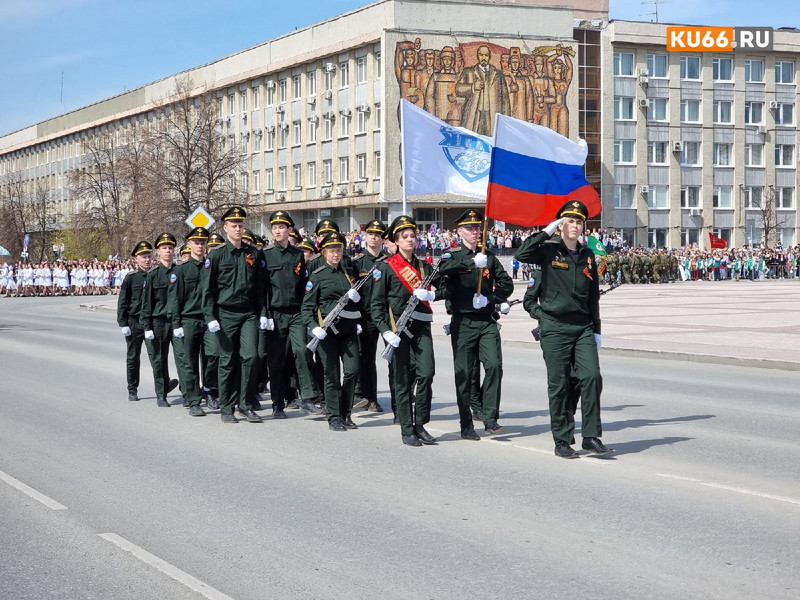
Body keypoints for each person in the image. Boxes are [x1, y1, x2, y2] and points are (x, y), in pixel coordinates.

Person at [514, 200, 611, 458]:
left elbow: (592, 297)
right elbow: (521, 254)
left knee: (591, 377)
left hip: (582, 327)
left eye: (579, 222)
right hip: (555, 327)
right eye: (570, 221)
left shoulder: (588, 256)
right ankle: (562, 440)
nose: (575, 225)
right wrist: (546, 231)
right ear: (561, 225)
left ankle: (590, 436)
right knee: (559, 384)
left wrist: (597, 329)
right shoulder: (548, 251)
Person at [434, 209, 514, 440]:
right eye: (469, 228)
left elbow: (506, 285)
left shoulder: (488, 256)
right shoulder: (452, 255)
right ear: (459, 232)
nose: (474, 232)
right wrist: (470, 262)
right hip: (463, 322)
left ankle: (490, 418)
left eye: (477, 228)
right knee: (465, 374)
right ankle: (466, 424)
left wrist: (490, 299)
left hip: (486, 321)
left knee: (494, 366)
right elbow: (441, 273)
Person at [370, 216, 437, 446]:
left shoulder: (423, 266)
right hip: (397, 330)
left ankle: (420, 423)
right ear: (396, 241)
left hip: (420, 327)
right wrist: (385, 331)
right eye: (405, 237)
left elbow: (446, 282)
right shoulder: (386, 268)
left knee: (426, 373)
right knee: (402, 379)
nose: (410, 240)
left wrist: (433, 295)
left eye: (413, 236)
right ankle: (407, 428)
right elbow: (376, 305)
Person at [201, 206, 268, 424]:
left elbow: (260, 287)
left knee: (250, 357)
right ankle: (227, 407)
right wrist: (210, 317)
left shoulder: (253, 254)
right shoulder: (217, 255)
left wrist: (263, 313)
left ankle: (246, 404)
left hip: (248, 313)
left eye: (241, 225)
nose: (238, 229)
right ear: (225, 227)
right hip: (226, 313)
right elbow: (208, 289)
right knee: (227, 360)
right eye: (234, 225)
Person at [301, 231, 362, 432]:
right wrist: (313, 327)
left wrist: (356, 305)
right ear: (324, 253)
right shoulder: (317, 276)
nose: (335, 254)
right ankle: (334, 415)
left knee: (352, 371)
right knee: (332, 375)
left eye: (338, 250)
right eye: (331, 251)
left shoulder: (347, 273)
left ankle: (346, 412)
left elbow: (356, 302)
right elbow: (306, 308)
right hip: (327, 332)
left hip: (349, 330)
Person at [263, 210, 321, 418]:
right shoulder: (266, 254)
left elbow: (303, 285)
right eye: (274, 227)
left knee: (303, 351)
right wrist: (265, 314)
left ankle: (307, 397)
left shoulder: (298, 254)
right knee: (277, 360)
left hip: (296, 312)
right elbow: (262, 288)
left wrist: (309, 311)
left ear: (289, 229)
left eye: (281, 227)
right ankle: (278, 403)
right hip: (275, 315)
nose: (277, 231)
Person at [168, 227, 210, 417]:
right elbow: (175, 299)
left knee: (213, 356)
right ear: (189, 245)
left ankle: (209, 391)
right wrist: (176, 325)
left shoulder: (211, 267)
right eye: (196, 242)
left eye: (203, 242)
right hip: (189, 319)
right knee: (190, 362)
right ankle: (194, 400)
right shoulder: (181, 270)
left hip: (209, 320)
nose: (200, 245)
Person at [353, 219, 389, 413]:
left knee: (394, 358)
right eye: (370, 234)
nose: (373, 237)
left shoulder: (389, 262)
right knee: (366, 358)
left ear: (383, 239)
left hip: (385, 316)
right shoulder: (358, 263)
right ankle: (370, 397)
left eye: (377, 234)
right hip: (365, 316)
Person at [140, 233, 181, 407]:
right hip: (158, 323)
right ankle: (161, 393)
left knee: (183, 357)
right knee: (159, 359)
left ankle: (187, 392)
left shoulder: (180, 271)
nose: (168, 251)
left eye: (170, 248)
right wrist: (147, 326)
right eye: (164, 248)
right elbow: (146, 303)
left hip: (177, 322)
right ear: (158, 252)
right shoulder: (152, 275)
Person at [117, 241, 155, 402]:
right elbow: (122, 302)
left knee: (156, 357)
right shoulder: (131, 278)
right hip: (134, 322)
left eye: (149, 256)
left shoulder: (155, 274)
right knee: (133, 357)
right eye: (143, 257)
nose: (147, 260)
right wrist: (123, 323)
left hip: (151, 323)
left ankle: (163, 385)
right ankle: (132, 388)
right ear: (136, 259)